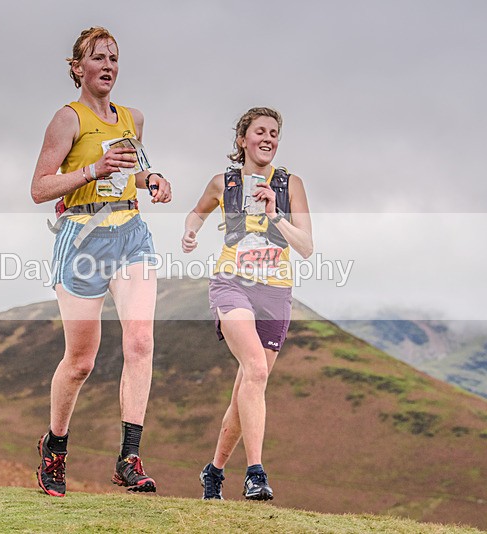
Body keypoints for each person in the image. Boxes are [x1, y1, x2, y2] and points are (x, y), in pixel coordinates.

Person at [30, 26, 172, 497]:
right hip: (83, 240)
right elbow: (40, 188)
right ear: (78, 69)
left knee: (141, 340)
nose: (108, 65)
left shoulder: (133, 118)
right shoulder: (65, 120)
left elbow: (137, 168)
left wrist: (153, 181)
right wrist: (90, 170)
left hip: (131, 234)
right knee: (80, 361)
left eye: (113, 57)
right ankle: (55, 447)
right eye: (97, 58)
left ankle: (129, 460)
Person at [181, 107, 312, 500]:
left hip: (276, 292)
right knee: (255, 369)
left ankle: (214, 471)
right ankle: (255, 473)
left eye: (274, 132)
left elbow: (306, 247)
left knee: (250, 384)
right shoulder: (224, 182)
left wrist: (276, 215)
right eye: (260, 131)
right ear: (243, 140)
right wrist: (189, 233)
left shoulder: (291, 185)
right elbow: (196, 213)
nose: (268, 138)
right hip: (232, 284)